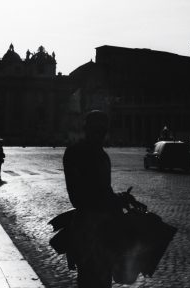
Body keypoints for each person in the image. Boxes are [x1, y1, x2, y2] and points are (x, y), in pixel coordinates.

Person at [63, 110, 125, 288]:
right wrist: (110, 201)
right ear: (86, 129)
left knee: (103, 280)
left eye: (102, 131)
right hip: (88, 229)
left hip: (103, 230)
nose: (100, 134)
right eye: (96, 130)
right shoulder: (76, 153)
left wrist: (117, 198)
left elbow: (104, 190)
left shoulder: (101, 155)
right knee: (90, 279)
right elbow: (79, 197)